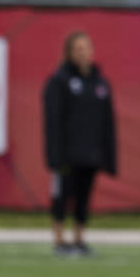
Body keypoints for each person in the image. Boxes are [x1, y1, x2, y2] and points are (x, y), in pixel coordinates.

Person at [43, 31, 118, 257]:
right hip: (67, 154)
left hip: (91, 153)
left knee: (84, 198)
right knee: (62, 196)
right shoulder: (59, 81)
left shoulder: (100, 83)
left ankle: (79, 239)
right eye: (78, 49)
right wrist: (55, 155)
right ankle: (59, 239)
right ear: (69, 53)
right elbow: (52, 120)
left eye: (86, 48)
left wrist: (108, 155)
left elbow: (107, 122)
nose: (83, 53)